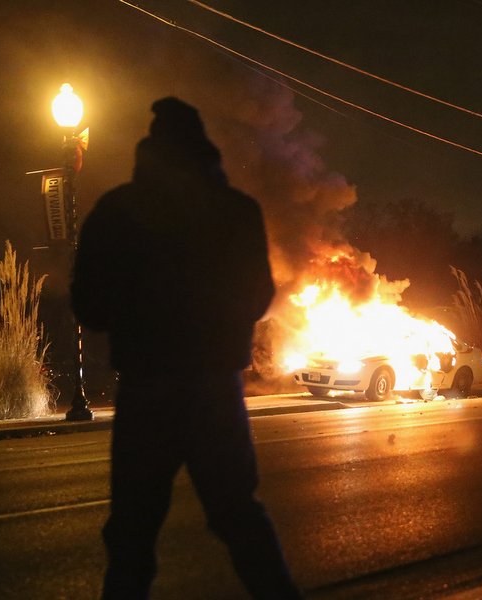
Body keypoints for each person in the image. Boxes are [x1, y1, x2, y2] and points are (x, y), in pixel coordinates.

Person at [71, 97, 302, 600]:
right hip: (215, 389)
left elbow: (87, 301)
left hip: (146, 388)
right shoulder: (238, 211)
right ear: (205, 151)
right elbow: (259, 295)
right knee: (239, 515)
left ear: (150, 151)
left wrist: (138, 320)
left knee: (132, 531)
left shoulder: (116, 210)